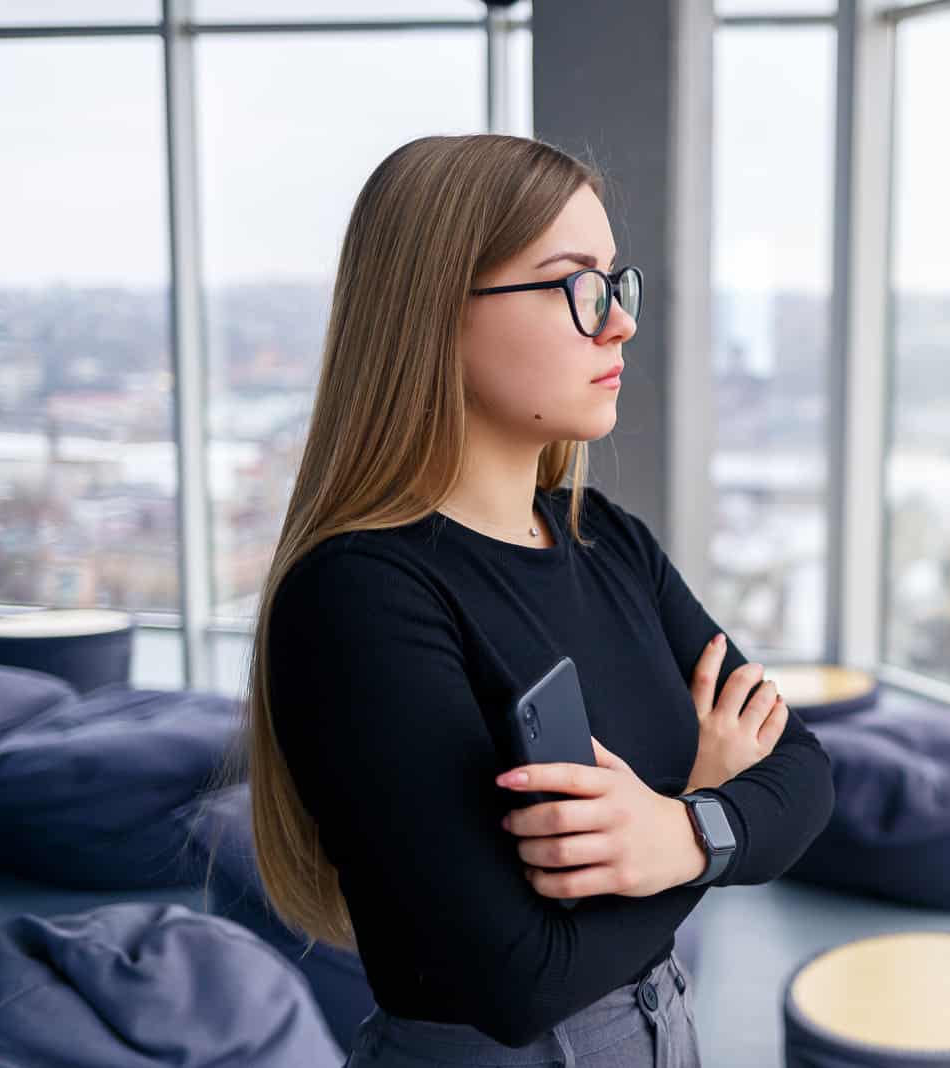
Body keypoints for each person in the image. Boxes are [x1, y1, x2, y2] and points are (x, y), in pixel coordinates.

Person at [225, 134, 836, 1066]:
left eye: (613, 283)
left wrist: (677, 832)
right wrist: (711, 810)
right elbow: (519, 980)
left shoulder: (607, 539)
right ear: (437, 313)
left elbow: (802, 771)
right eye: (575, 285)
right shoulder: (359, 597)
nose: (620, 323)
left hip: (665, 1030)